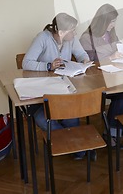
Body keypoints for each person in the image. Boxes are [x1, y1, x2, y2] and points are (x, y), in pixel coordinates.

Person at [22, 12, 90, 159]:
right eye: (72, 30)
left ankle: (77, 148)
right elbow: (26, 63)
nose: (75, 33)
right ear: (61, 32)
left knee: (70, 115)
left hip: (62, 88)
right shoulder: (42, 38)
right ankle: (76, 145)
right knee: (41, 119)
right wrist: (48, 65)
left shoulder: (70, 39)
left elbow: (81, 54)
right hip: (41, 91)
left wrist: (85, 60)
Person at [79, 4, 123, 147]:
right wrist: (111, 57)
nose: (113, 25)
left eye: (114, 22)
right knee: (122, 95)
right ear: (102, 21)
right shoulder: (87, 38)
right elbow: (90, 63)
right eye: (111, 22)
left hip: (113, 75)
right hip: (96, 81)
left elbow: (119, 47)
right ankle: (111, 132)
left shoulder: (111, 33)